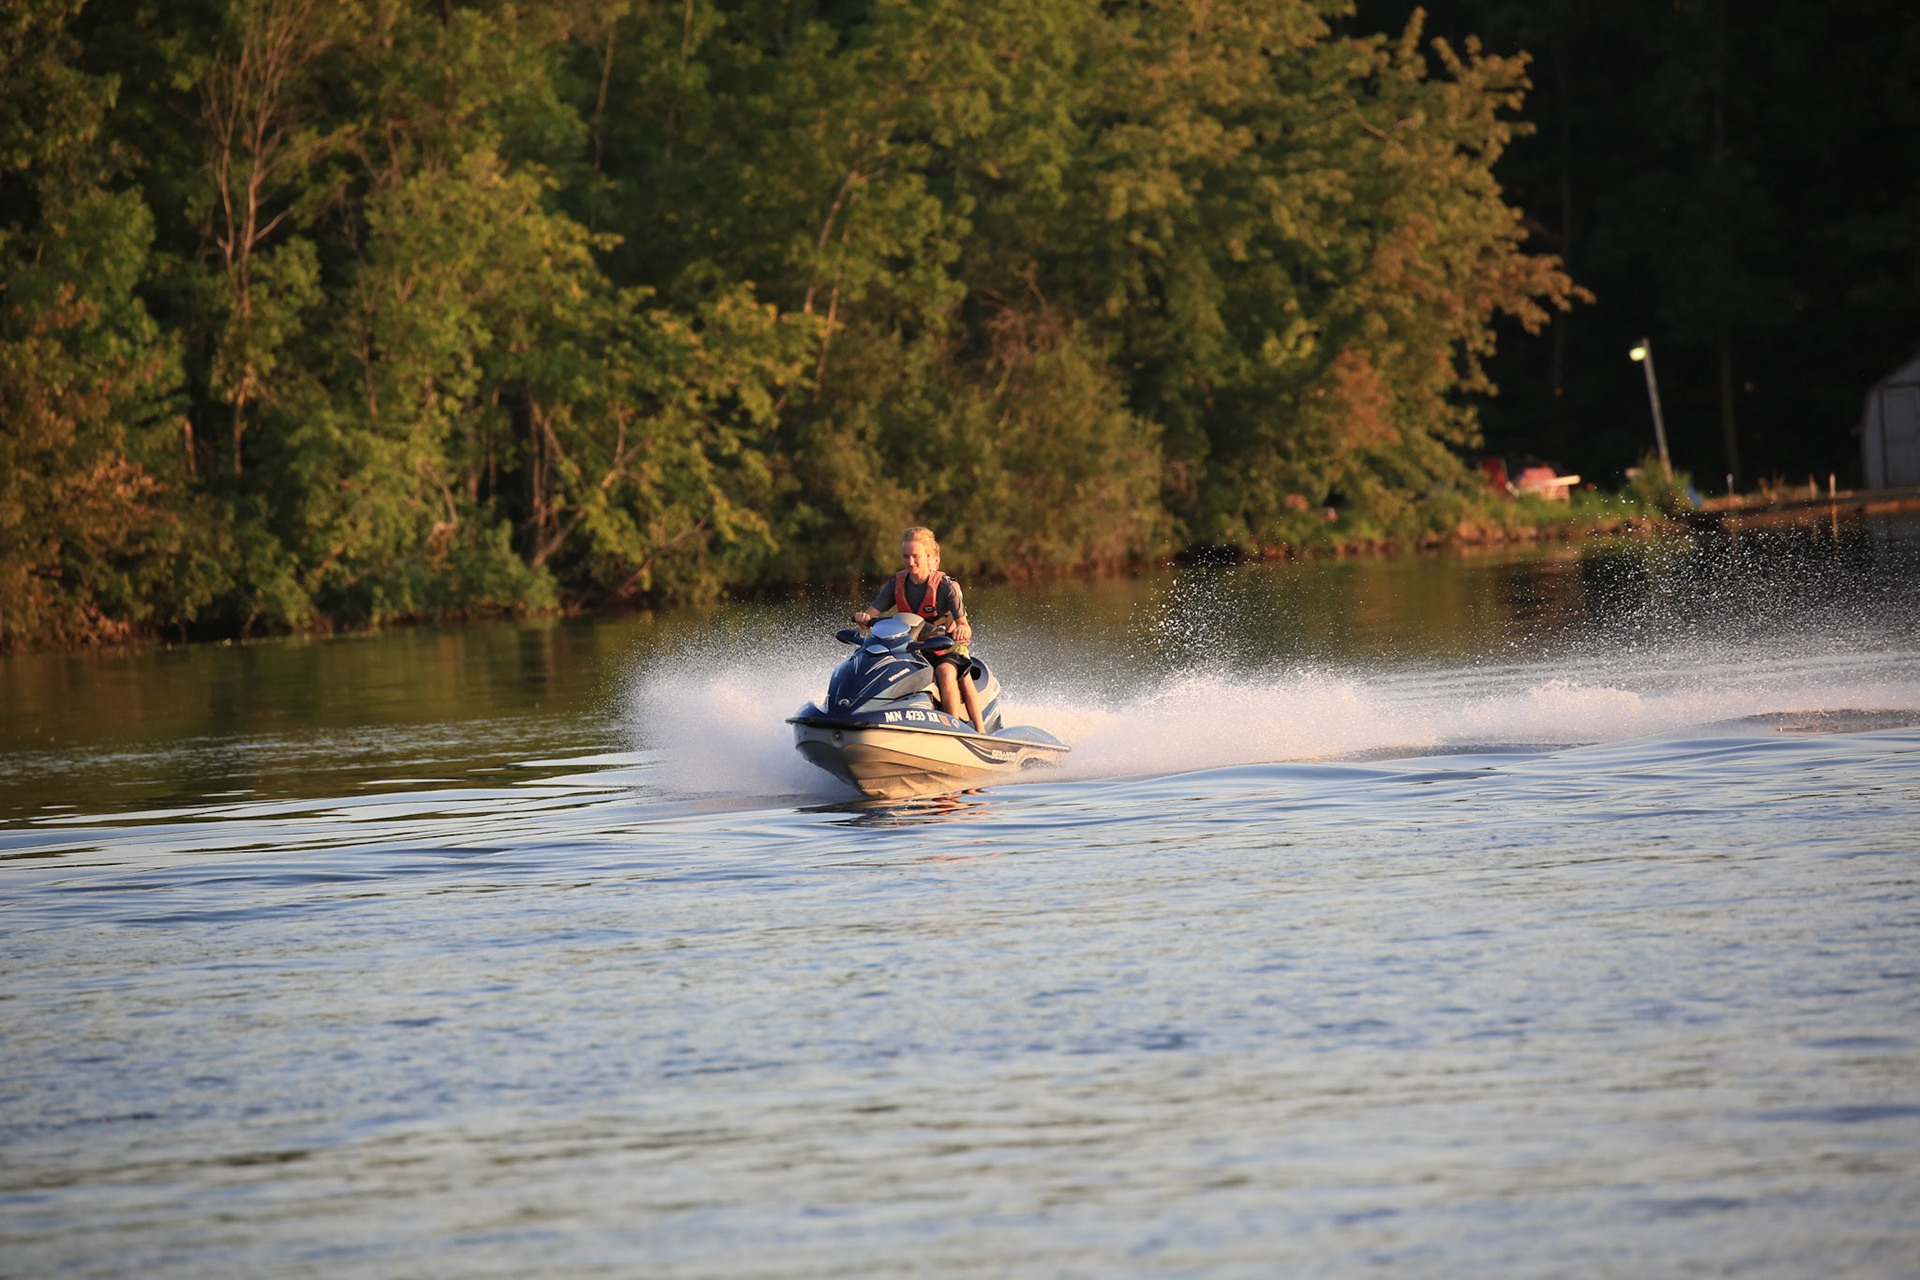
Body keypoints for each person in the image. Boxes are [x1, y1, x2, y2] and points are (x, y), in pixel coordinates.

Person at [853, 526, 985, 732]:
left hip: (943, 648)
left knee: (945, 672)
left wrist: (962, 630)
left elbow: (964, 625)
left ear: (929, 556)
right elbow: (871, 614)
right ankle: (865, 714)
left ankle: (956, 729)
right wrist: (864, 618)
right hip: (908, 648)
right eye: (906, 557)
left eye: (916, 557)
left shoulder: (946, 587)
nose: (910, 562)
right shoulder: (895, 584)